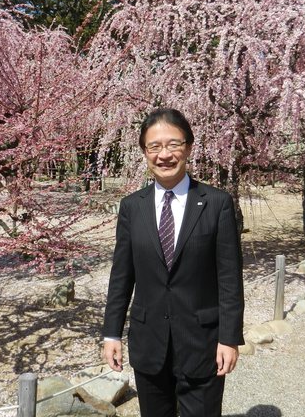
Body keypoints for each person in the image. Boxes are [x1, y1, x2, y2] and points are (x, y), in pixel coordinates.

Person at [102, 108, 244, 417]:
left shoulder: (217, 203)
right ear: (144, 152)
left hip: (202, 343)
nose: (164, 154)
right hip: (149, 341)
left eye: (173, 144)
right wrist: (111, 333)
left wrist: (229, 338)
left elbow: (230, 279)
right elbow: (122, 276)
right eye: (154, 146)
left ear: (189, 148)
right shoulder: (131, 207)